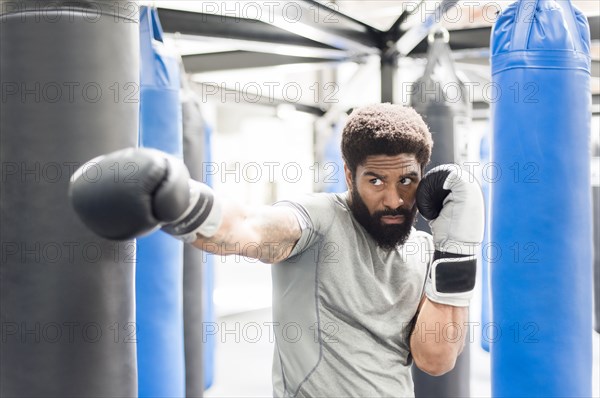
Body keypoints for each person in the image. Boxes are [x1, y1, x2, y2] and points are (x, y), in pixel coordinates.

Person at [69, 103, 484, 397]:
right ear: (348, 175)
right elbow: (247, 228)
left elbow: (435, 359)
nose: (394, 199)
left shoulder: (431, 251)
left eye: (406, 181)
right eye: (375, 181)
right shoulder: (319, 219)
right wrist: (178, 202)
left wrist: (458, 251)